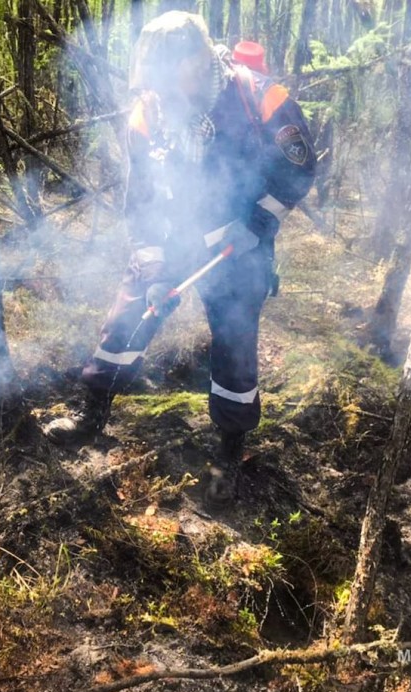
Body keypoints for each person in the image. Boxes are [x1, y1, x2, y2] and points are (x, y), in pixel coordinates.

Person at [43, 12, 315, 505]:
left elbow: (298, 171)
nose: (162, 92)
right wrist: (153, 269)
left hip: (240, 241)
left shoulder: (261, 97)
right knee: (130, 315)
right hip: (175, 237)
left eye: (171, 77)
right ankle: (92, 411)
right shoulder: (148, 112)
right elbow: (141, 200)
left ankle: (228, 451)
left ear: (197, 59)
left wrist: (257, 225)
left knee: (234, 341)